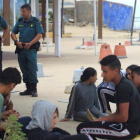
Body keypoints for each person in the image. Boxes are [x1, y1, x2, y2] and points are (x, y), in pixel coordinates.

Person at [77, 55, 140, 140]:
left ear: (115, 71)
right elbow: (118, 113)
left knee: (82, 128)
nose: (102, 75)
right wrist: (100, 119)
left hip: (127, 129)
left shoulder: (123, 87)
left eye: (105, 71)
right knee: (88, 125)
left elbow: (123, 117)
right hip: (126, 126)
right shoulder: (121, 84)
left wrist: (104, 121)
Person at [11, 4, 44, 97]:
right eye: (21, 11)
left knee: (32, 69)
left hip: (31, 49)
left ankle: (34, 89)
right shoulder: (20, 21)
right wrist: (16, 42)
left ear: (29, 11)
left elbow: (39, 35)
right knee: (24, 69)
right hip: (21, 49)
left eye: (23, 11)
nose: (22, 13)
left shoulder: (36, 21)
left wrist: (30, 43)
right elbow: (13, 33)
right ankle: (28, 88)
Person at [26, 100, 92, 140]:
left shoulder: (35, 130)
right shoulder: (38, 136)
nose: (56, 122)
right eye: (53, 118)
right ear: (44, 118)